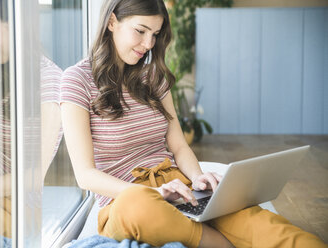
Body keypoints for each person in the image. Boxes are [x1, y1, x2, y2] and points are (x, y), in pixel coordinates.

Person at [60, 0, 328, 247]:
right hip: (126, 199)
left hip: (180, 187)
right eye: (140, 31)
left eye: (155, 34)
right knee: (138, 205)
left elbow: (178, 146)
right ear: (111, 22)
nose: (149, 44)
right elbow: (85, 175)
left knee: (268, 227)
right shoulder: (76, 80)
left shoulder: (153, 77)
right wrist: (154, 193)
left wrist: (198, 178)